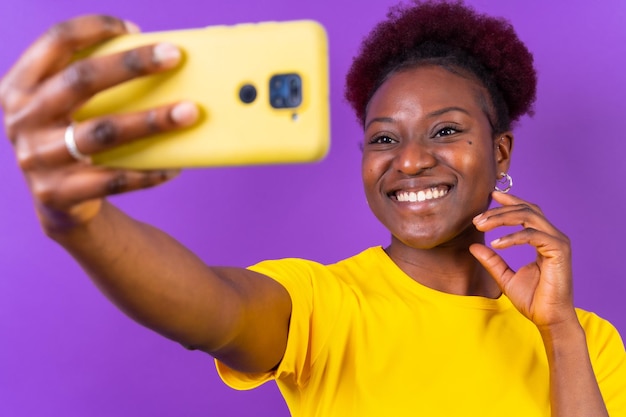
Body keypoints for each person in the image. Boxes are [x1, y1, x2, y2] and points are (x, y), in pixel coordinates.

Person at [1, 1, 624, 416]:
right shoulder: (326, 303)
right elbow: (214, 310)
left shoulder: (588, 340)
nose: (408, 161)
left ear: (500, 148)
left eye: (445, 131)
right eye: (384, 138)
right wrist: (79, 222)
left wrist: (558, 332)